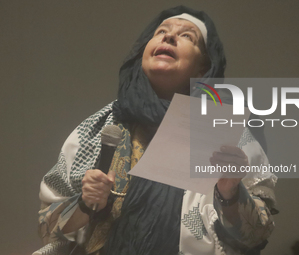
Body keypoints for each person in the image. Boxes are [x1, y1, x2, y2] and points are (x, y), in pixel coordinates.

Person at [33, 6, 277, 255]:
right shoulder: (99, 128)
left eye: (187, 36)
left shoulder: (228, 132)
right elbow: (48, 228)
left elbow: (257, 235)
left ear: (203, 68)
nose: (169, 37)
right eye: (161, 31)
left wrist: (230, 193)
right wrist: (86, 204)